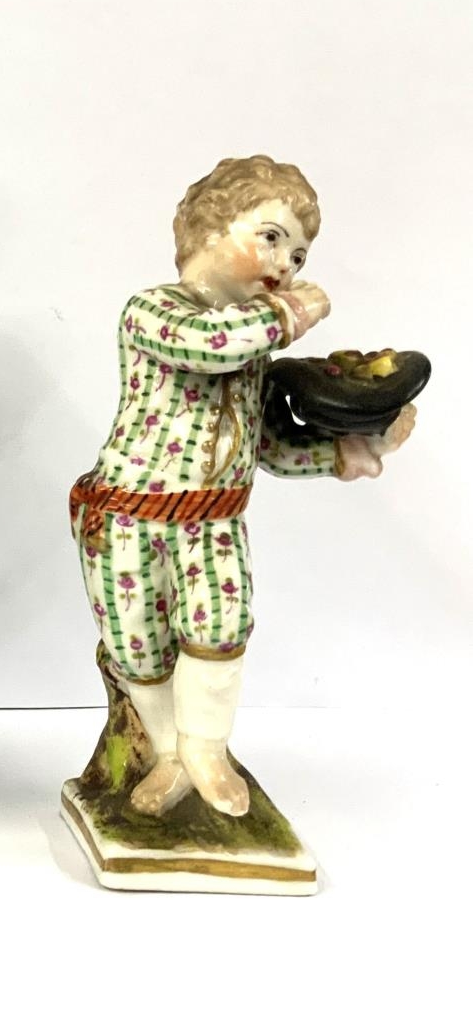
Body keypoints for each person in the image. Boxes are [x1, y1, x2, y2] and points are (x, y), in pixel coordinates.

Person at [69, 155, 416, 817]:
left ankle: (206, 750)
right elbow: (207, 344)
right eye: (272, 237)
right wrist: (289, 314)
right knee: (139, 643)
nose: (287, 264)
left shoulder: (253, 348)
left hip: (215, 519)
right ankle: (168, 754)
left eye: (300, 256)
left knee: (221, 627)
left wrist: (349, 450)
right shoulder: (155, 311)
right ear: (209, 228)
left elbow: (269, 446)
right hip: (128, 516)